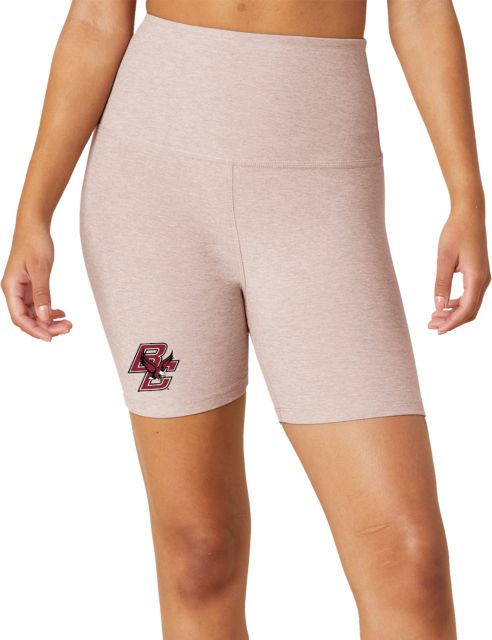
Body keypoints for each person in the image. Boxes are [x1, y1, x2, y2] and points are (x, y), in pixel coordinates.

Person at [2, 1, 490, 638]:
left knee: (407, 561)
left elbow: (421, 10)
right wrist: (33, 212)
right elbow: (96, 18)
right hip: (153, 192)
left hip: (318, 189)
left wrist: (466, 195)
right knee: (198, 551)